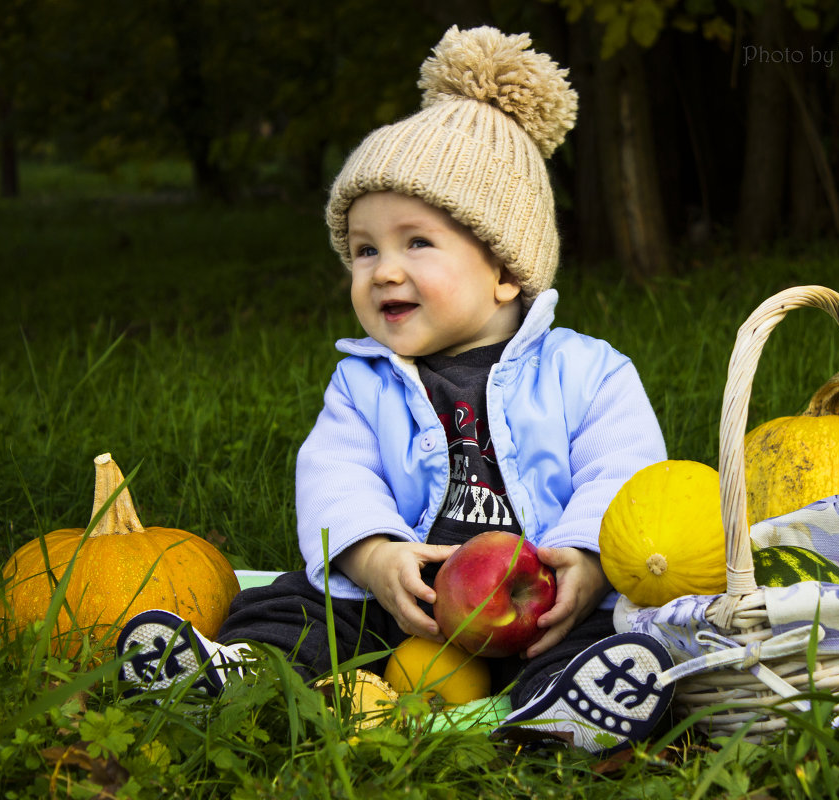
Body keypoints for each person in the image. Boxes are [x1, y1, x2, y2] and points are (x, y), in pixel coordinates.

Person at [117, 25, 675, 756]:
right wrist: (376, 559)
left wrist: (585, 556)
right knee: (293, 607)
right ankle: (241, 676)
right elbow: (336, 477)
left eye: (417, 243)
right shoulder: (362, 382)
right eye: (364, 249)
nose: (382, 270)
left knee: (623, 629)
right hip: (400, 604)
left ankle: (568, 707)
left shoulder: (589, 371)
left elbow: (626, 473)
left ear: (505, 269)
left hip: (544, 606)